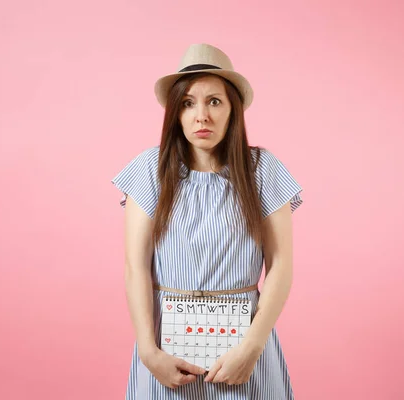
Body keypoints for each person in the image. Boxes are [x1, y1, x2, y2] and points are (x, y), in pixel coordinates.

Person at [111, 43, 303, 399]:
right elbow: (135, 268)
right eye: (188, 103)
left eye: (214, 101)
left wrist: (251, 350)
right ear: (175, 113)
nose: (201, 116)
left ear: (233, 110)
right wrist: (148, 352)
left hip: (244, 350)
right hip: (167, 353)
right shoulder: (148, 171)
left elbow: (281, 266)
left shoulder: (262, 170)